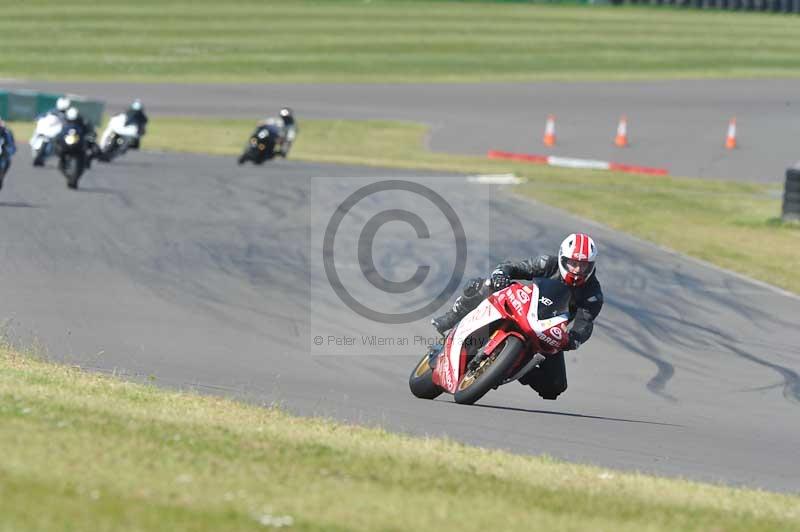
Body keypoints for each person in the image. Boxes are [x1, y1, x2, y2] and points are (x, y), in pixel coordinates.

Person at [430, 233, 603, 400]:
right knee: (486, 284)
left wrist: (573, 339)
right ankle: (452, 317)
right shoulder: (547, 264)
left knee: (555, 387)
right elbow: (517, 268)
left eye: (584, 265)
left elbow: (585, 323)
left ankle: (514, 367)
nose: (578, 269)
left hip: (548, 330)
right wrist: (502, 274)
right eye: (573, 263)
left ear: (591, 265)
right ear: (562, 259)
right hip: (523, 305)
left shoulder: (592, 293)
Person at [0, 117, 17, 188]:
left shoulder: (6, 132)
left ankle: (1, 176)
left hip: (2, 154)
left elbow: (11, 145)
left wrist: (9, 150)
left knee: (7, 161)